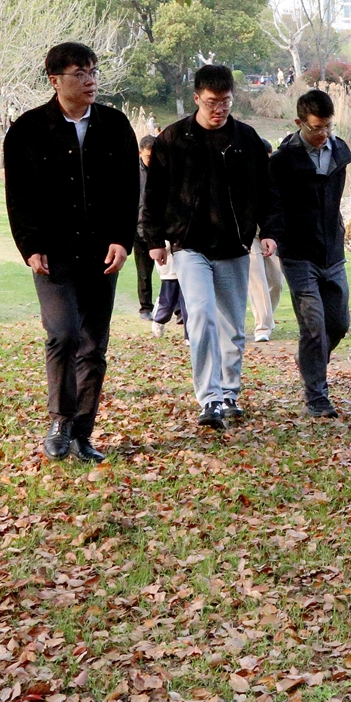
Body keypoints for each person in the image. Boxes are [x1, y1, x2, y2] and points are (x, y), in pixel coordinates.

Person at [4, 42, 140, 464]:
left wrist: (123, 239)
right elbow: (18, 196)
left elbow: (129, 189)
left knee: (94, 346)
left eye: (93, 72)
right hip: (53, 254)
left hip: (103, 253)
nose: (90, 81)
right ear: (55, 80)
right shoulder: (28, 129)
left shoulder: (115, 125)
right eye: (79, 73)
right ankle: (60, 421)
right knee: (63, 333)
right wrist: (30, 246)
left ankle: (82, 433)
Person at [142, 64, 280, 432]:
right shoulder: (173, 139)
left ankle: (229, 392)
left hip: (234, 244)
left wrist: (269, 231)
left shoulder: (246, 139)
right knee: (201, 316)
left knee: (232, 326)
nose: (218, 109)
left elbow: (267, 191)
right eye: (211, 102)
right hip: (189, 245)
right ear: (196, 98)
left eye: (225, 102)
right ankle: (210, 398)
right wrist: (154, 239)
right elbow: (153, 193)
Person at [267, 88, 351, 418]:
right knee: (313, 325)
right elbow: (273, 204)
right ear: (299, 123)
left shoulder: (339, 150)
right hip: (297, 253)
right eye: (317, 128)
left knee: (339, 324)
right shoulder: (282, 160)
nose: (324, 134)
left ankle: (309, 360)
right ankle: (317, 396)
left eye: (329, 126)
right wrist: (271, 235)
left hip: (332, 251)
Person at [132, 133, 159, 319]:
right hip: (139, 230)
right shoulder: (132, 173)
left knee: (172, 273)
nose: (152, 160)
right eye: (149, 156)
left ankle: (176, 308)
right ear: (140, 153)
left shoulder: (164, 170)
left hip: (161, 230)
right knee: (144, 273)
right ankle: (145, 308)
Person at [249, 245, 285, 342]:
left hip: (273, 238)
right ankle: (262, 328)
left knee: (277, 282)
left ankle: (267, 318)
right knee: (258, 283)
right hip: (251, 239)